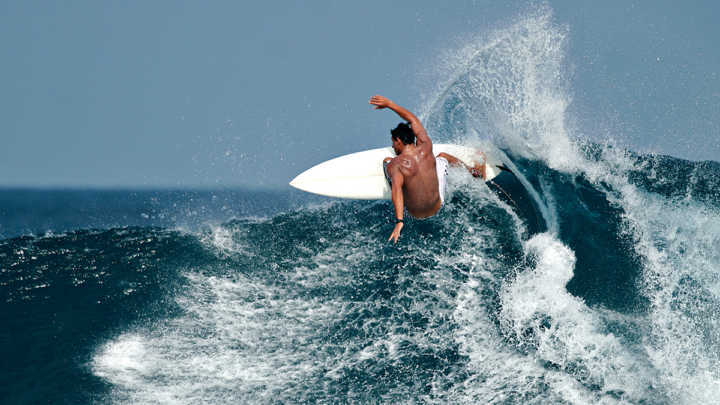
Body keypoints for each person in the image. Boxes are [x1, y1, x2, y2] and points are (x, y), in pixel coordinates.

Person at [370, 95, 486, 243]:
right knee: (442, 156)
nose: (393, 146)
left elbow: (397, 191)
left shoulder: (396, 165)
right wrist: (390, 104)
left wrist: (399, 221)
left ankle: (395, 177)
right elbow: (413, 120)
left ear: (399, 141)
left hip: (414, 214)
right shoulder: (426, 145)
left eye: (393, 143)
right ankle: (474, 171)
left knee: (388, 163)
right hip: (439, 204)